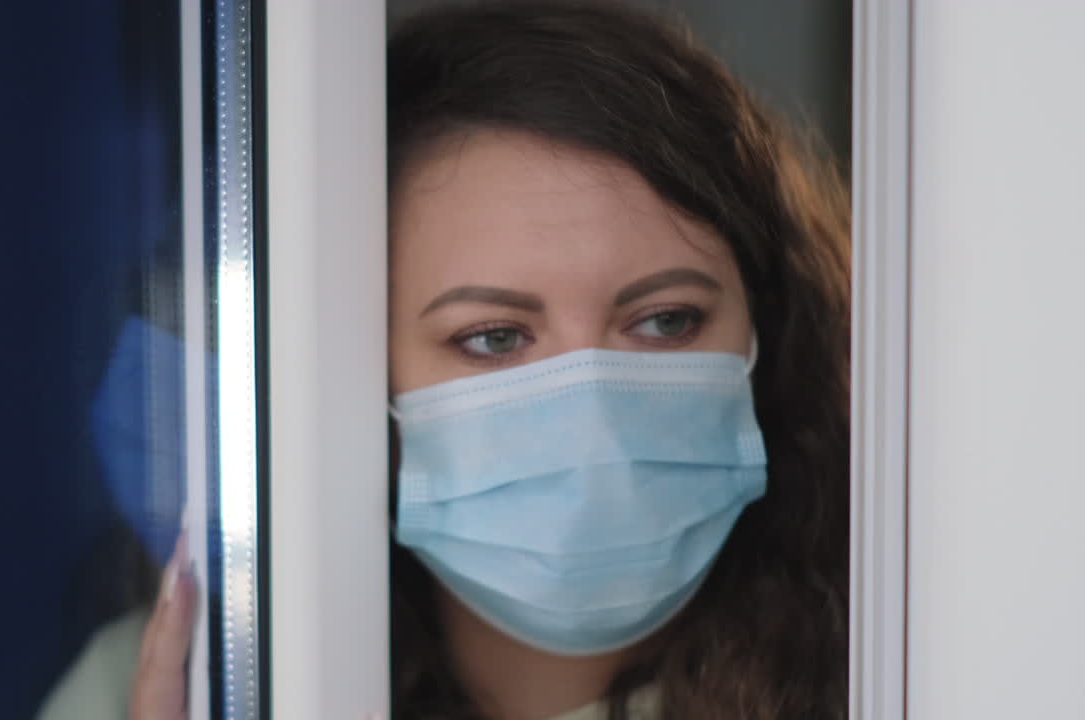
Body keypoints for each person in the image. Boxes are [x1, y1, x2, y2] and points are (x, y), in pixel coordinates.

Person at [41, 2, 850, 719]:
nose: (593, 412)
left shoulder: (908, 666)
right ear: (357, 379)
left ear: (765, 332)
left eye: (666, 320)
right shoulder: (181, 686)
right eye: (494, 337)